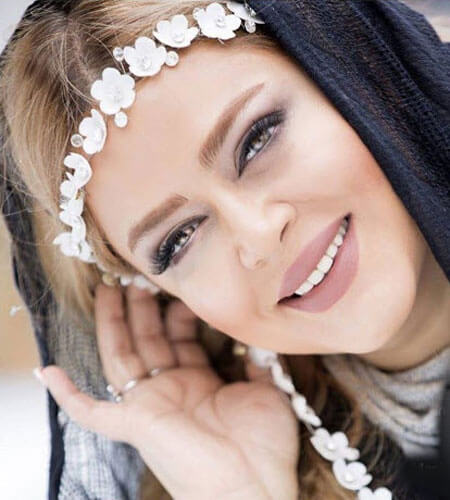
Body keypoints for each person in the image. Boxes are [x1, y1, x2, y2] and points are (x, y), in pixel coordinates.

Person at [0, 1, 448, 499]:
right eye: (179, 239)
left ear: (347, 62)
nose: (258, 236)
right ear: (156, 291)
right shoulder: (252, 455)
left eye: (257, 139)